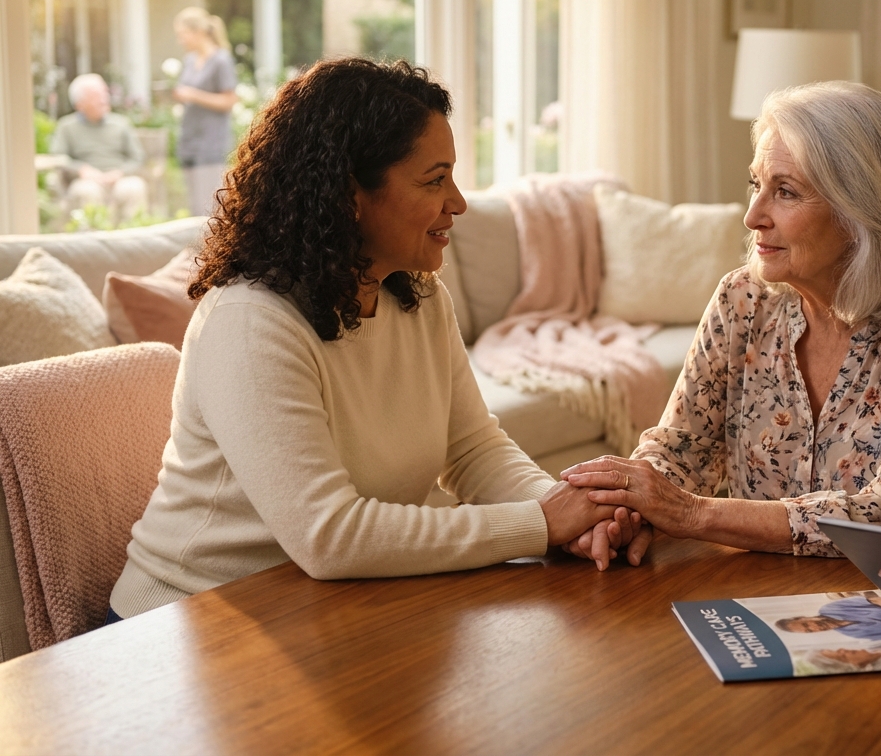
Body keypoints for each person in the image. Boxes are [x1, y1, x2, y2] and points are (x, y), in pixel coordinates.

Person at [108, 57, 625, 621]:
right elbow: (329, 536)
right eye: (434, 180)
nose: (459, 202)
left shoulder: (418, 297)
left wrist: (570, 511)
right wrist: (544, 524)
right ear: (350, 193)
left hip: (322, 607)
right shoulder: (250, 320)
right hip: (189, 622)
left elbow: (473, 449)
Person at [562, 82, 881, 569]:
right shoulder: (741, 300)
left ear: (862, 210)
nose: (753, 216)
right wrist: (627, 509)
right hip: (758, 595)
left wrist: (691, 513)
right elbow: (682, 448)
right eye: (756, 185)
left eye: (785, 192)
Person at [50, 73, 147, 222]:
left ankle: (131, 241)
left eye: (104, 93)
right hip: (86, 181)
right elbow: (58, 158)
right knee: (86, 191)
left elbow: (137, 157)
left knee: (134, 187)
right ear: (80, 104)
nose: (103, 99)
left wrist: (120, 172)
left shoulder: (121, 124)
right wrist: (82, 170)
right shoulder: (66, 127)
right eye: (96, 95)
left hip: (119, 180)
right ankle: (91, 241)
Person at [172, 7, 239, 216]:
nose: (180, 40)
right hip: (190, 138)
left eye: (183, 34)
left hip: (211, 141)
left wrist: (193, 94)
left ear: (198, 32)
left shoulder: (221, 60)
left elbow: (229, 100)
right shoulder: (190, 60)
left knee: (211, 203)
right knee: (194, 203)